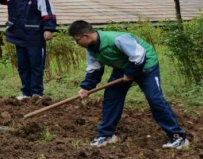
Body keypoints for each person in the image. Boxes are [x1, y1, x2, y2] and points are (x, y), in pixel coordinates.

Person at [68, 20, 189, 149]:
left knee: (155, 99)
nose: (77, 43)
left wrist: (130, 73)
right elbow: (94, 69)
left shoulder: (117, 39)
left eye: (77, 40)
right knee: (111, 98)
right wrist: (86, 87)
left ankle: (178, 137)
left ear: (86, 36)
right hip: (123, 67)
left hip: (146, 65)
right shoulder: (91, 49)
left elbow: (139, 55)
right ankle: (106, 135)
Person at [0, 0, 55, 99]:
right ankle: (25, 92)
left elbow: (48, 14)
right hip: (19, 36)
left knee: (36, 66)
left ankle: (37, 93)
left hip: (35, 38)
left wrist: (48, 29)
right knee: (23, 66)